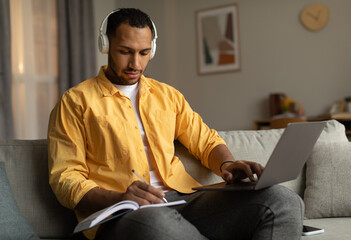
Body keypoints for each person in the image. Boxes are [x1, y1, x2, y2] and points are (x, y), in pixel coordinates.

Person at [48, 8, 304, 240]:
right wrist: (121, 198)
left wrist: (227, 163)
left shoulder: (168, 96)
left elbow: (205, 140)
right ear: (106, 46)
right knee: (157, 222)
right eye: (125, 51)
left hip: (180, 201)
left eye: (144, 53)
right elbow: (65, 177)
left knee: (283, 201)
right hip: (121, 213)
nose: (135, 63)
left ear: (152, 49)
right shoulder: (75, 101)